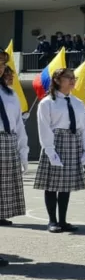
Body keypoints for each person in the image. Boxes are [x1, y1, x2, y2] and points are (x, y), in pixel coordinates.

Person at [35, 68, 85, 233]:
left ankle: (63, 220)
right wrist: (50, 151)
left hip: (73, 142)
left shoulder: (78, 103)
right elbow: (44, 128)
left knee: (66, 185)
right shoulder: (47, 102)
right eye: (68, 78)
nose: (72, 80)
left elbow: (83, 127)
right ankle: (52, 221)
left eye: (74, 77)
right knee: (51, 184)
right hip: (55, 142)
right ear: (57, 80)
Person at [0, 64, 28, 229]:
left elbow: (18, 124)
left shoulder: (11, 94)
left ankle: (1, 213)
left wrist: (23, 152)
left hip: (8, 139)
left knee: (5, 182)